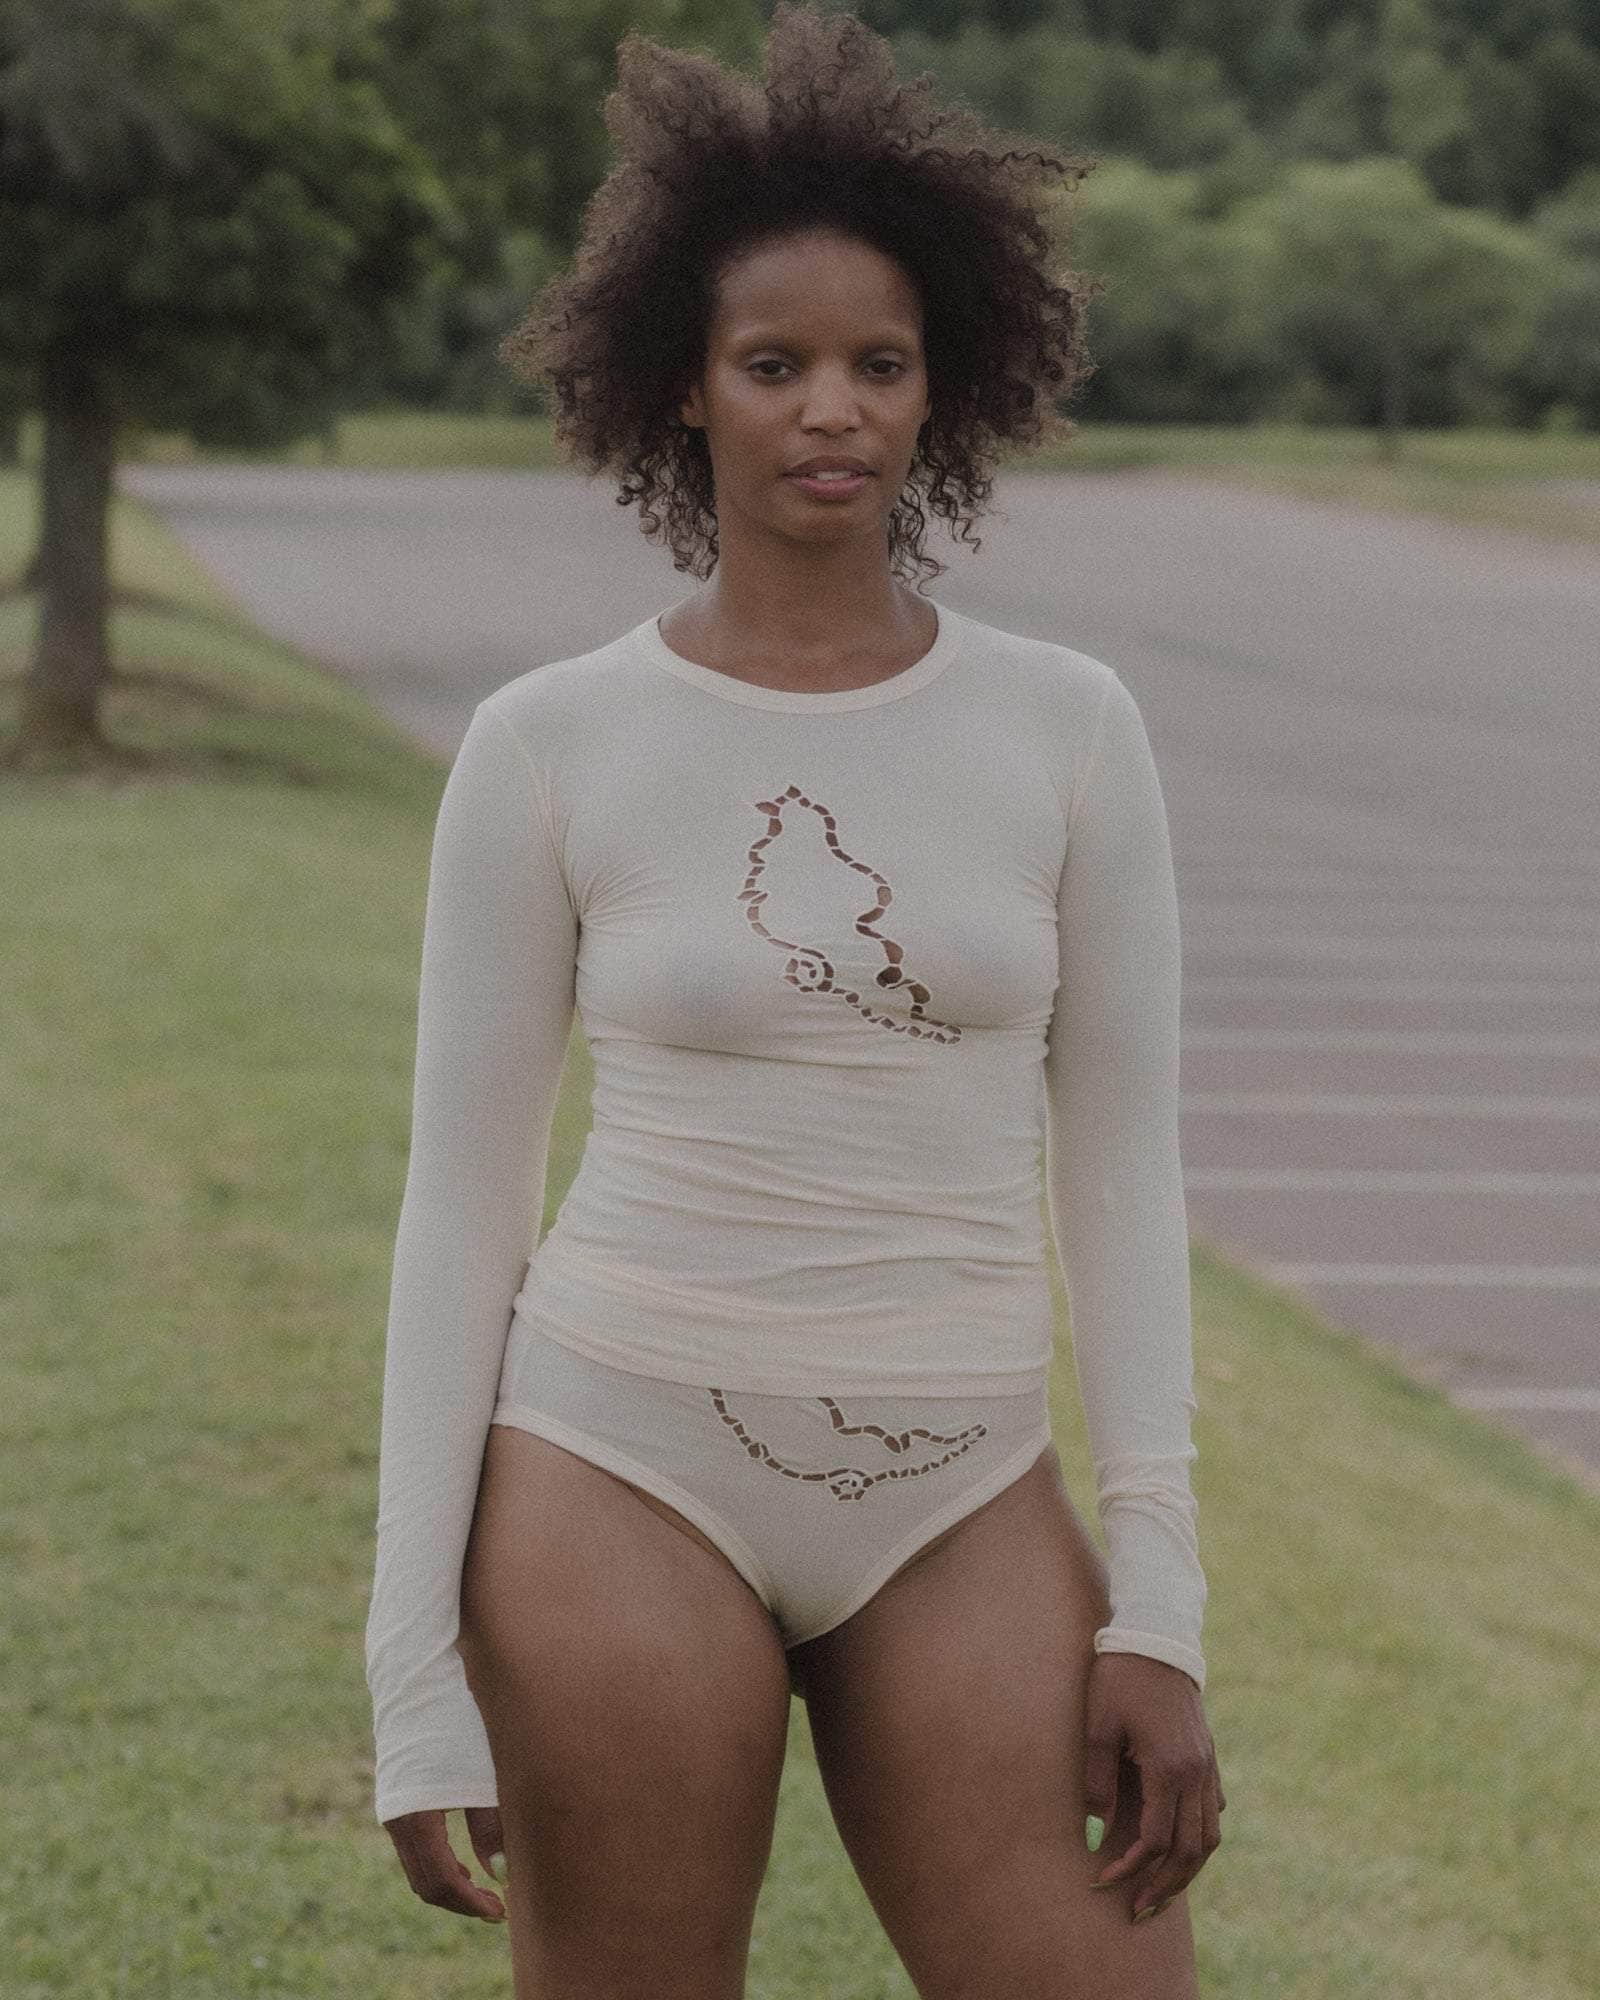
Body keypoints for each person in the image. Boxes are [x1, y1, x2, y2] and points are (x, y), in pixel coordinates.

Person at [363, 5, 1225, 1994]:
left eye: (876, 364)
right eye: (774, 364)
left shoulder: (1067, 727)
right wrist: (411, 1659)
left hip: (962, 1482)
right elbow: (462, 1207)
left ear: (942, 389)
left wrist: (1158, 1604)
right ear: (684, 388)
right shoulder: (550, 740)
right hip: (618, 1462)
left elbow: (1119, 1167)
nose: (828, 407)